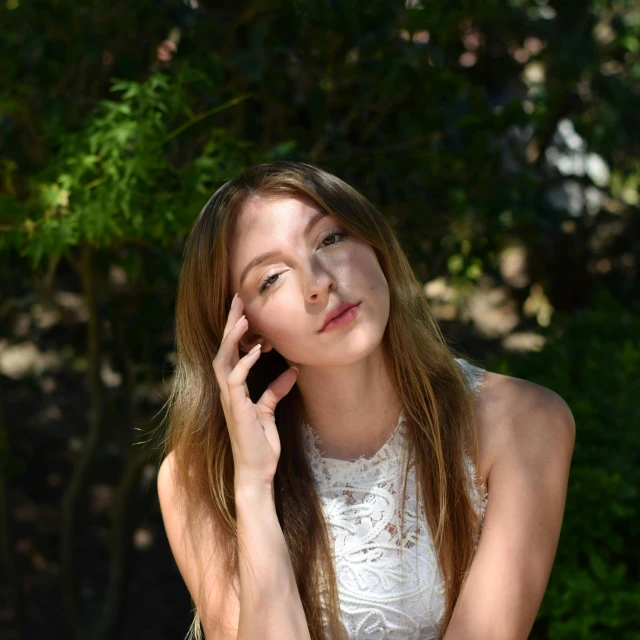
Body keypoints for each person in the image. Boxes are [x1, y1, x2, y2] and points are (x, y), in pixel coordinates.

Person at [157, 161, 575, 640]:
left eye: (329, 239)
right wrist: (252, 485)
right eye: (271, 278)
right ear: (249, 333)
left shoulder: (524, 423)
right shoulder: (197, 478)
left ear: (374, 244)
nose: (318, 282)